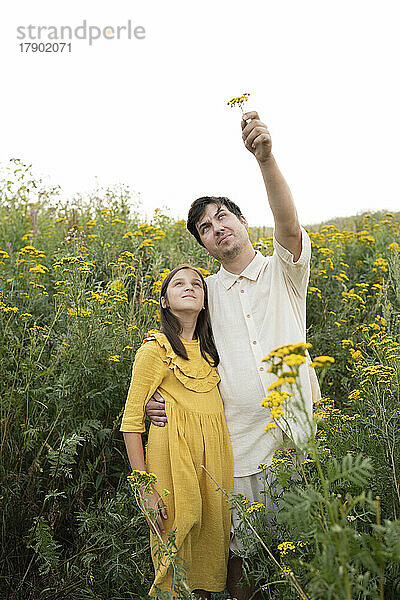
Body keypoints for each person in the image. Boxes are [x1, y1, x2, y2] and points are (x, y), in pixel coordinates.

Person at [146, 110, 321, 600]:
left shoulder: (283, 274)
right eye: (205, 226)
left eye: (223, 216)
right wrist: (158, 401)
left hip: (298, 442)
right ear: (203, 244)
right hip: (238, 450)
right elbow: (181, 358)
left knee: (301, 562)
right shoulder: (205, 295)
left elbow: (288, 225)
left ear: (243, 222)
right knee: (240, 569)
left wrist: (265, 160)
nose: (217, 227)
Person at [120, 265, 234, 599]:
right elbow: (130, 422)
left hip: (214, 466)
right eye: (178, 284)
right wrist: (145, 489)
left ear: (204, 302)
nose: (189, 287)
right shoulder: (155, 350)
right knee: (174, 558)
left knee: (208, 559)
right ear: (165, 302)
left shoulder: (213, 350)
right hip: (172, 464)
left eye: (196, 284)